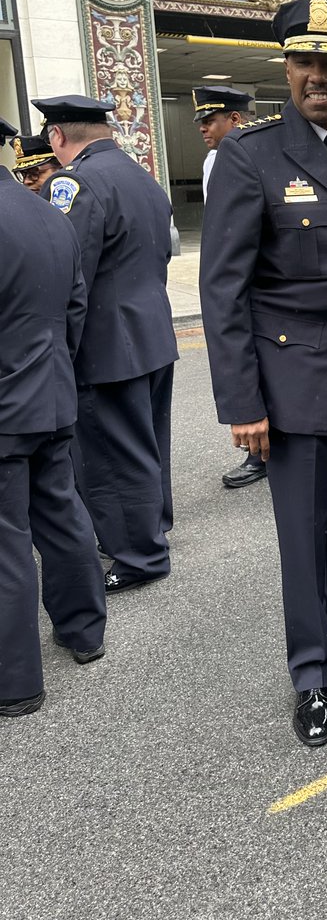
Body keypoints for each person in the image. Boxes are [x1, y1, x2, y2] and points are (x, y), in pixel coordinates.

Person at [199, 0, 327, 748]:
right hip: (291, 385)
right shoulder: (251, 157)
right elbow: (223, 290)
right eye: (304, 61)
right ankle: (312, 674)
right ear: (286, 68)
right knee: (305, 536)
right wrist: (242, 403)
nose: (318, 75)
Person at [37, 95, 178, 594]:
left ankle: (139, 555)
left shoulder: (70, 182)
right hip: (152, 331)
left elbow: (67, 272)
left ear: (57, 136)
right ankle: (151, 524)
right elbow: (161, 250)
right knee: (147, 440)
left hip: (105, 343)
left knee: (111, 454)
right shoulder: (140, 175)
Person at [0, 117, 107, 717]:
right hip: (49, 390)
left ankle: (14, 679)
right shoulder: (46, 210)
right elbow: (75, 306)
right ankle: (84, 631)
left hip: (7, 400)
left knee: (7, 538)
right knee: (60, 511)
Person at [191, 84, 267, 490]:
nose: (204, 128)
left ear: (235, 119)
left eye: (210, 120)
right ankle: (258, 449)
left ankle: (261, 454)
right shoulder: (213, 160)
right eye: (201, 121)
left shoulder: (251, 154)